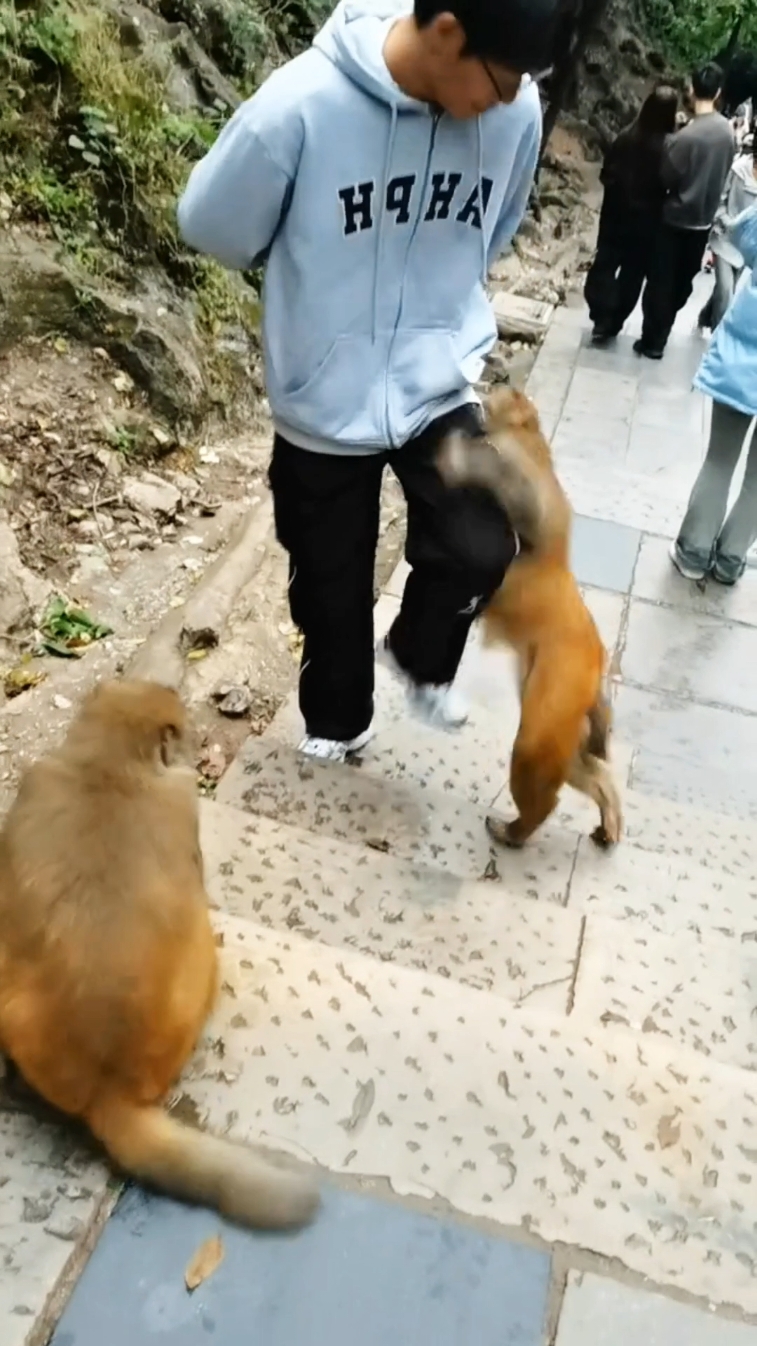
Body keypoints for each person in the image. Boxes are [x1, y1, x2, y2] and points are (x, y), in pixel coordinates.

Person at [178, 0, 557, 763]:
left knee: (481, 542)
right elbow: (210, 224)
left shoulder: (514, 115)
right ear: (448, 32)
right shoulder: (300, 106)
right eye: (503, 78)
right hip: (321, 393)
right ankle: (338, 718)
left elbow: (502, 220)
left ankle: (418, 656)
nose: (512, 99)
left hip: (435, 379)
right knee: (329, 584)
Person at [671, 203, 757, 586]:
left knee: (720, 459)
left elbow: (742, 235)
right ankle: (730, 561)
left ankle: (694, 552)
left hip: (746, 352)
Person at [635, 62, 735, 360]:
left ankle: (654, 338)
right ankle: (660, 329)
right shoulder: (728, 132)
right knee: (682, 280)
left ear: (691, 90)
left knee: (660, 281)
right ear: (718, 93)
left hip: (673, 219)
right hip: (702, 222)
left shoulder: (684, 138)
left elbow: (667, 177)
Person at [584, 84, 678, 343]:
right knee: (633, 273)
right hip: (648, 221)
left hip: (616, 215)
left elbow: (606, 173)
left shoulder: (626, 136)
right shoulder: (670, 147)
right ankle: (614, 320)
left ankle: (601, 315)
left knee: (604, 264)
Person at [698, 134, 757, 332]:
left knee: (725, 289)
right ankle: (718, 335)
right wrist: (726, 221)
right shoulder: (738, 169)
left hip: (746, 245)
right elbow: (719, 199)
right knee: (726, 291)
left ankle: (705, 315)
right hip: (724, 236)